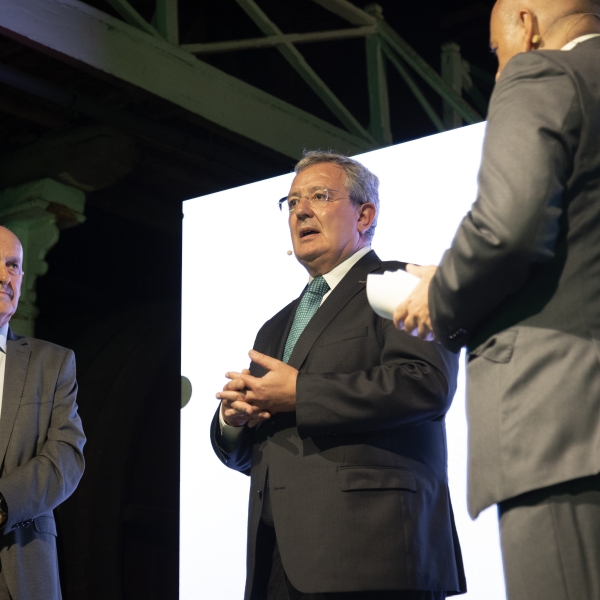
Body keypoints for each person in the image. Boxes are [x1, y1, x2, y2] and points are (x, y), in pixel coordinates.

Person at [393, 1, 600, 598]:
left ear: (526, 25)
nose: (500, 65)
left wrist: (441, 291)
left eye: (494, 49)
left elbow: (508, 229)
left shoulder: (540, 74)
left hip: (564, 428)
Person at [211, 151, 466, 600]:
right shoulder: (275, 326)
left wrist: (300, 392)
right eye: (290, 203)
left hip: (374, 550)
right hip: (277, 561)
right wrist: (234, 422)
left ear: (364, 214)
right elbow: (264, 454)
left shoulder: (403, 285)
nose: (301, 211)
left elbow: (425, 384)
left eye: (319, 196)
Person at [0, 226, 85, 599]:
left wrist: (3, 504)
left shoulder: (52, 363)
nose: (5, 276)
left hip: (23, 567)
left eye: (13, 266)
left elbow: (66, 457)